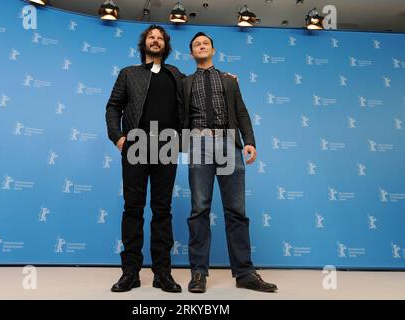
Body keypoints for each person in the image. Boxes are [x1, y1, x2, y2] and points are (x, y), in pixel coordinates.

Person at [182, 32, 278, 293]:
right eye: (196, 45)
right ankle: (198, 273)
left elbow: (241, 111)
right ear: (191, 54)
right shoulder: (184, 82)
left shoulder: (229, 80)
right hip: (199, 144)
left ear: (213, 49)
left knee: (236, 210)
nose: (201, 47)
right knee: (199, 209)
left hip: (228, 144)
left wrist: (249, 141)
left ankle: (245, 273)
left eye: (205, 43)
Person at [105, 25, 184, 293]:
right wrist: (118, 137)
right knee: (133, 208)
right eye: (151, 36)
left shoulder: (176, 74)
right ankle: (131, 273)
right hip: (136, 143)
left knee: (163, 211)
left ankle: (163, 273)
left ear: (166, 45)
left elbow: (196, 91)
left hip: (167, 146)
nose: (155, 40)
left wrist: (226, 79)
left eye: (160, 37)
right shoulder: (129, 73)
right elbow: (113, 106)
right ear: (144, 43)